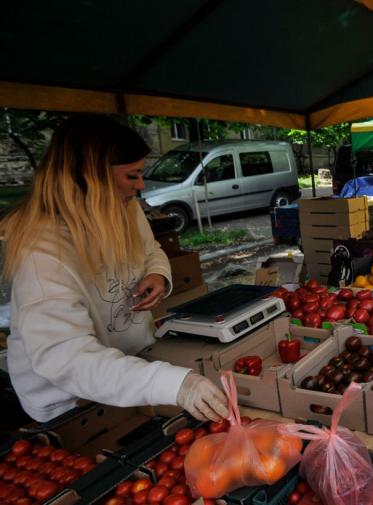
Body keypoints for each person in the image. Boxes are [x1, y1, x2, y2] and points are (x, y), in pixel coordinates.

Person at [0, 114, 229, 423]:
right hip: (72, 403)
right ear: (91, 179)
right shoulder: (43, 253)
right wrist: (175, 384)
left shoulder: (123, 206)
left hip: (130, 366)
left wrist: (157, 274)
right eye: (132, 176)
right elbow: (68, 357)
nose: (141, 185)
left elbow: (151, 250)